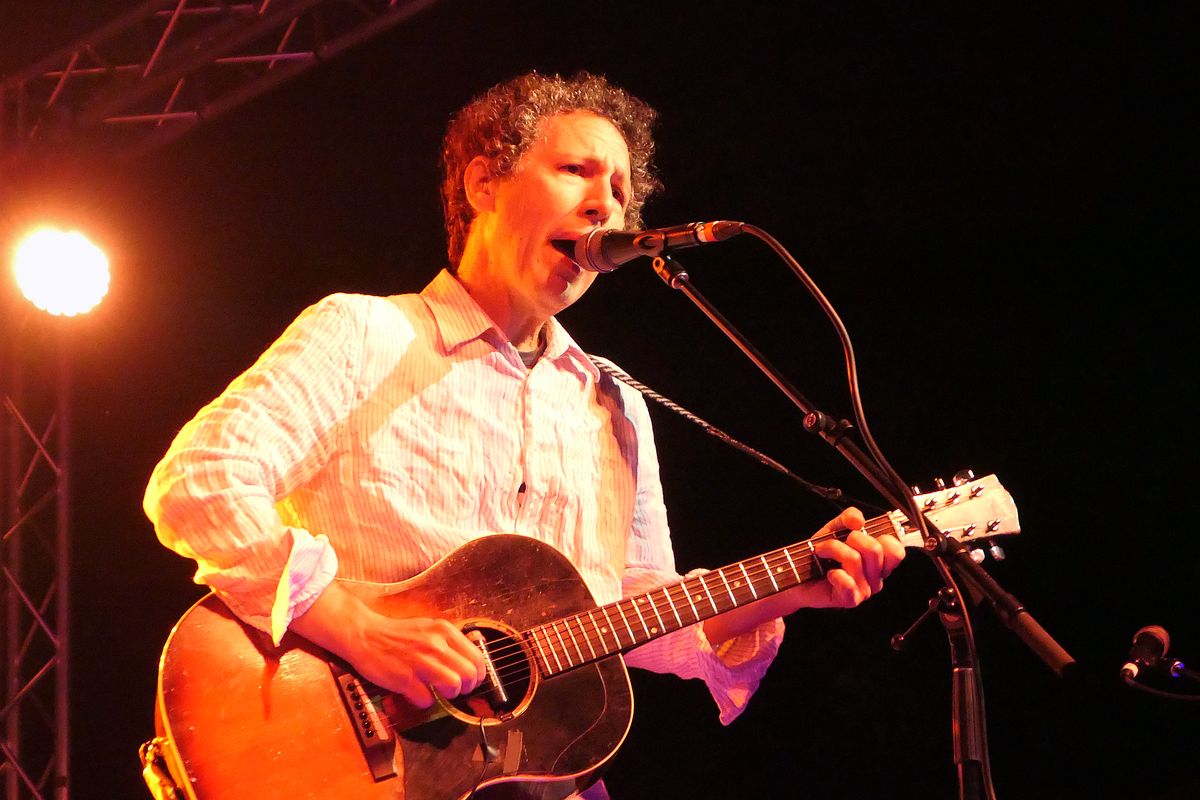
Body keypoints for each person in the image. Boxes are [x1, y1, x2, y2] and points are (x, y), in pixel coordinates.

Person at [143, 70, 905, 797]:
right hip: (345, 757)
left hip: (529, 778)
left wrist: (787, 590)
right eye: (577, 170)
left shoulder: (611, 402)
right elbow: (201, 482)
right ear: (483, 184)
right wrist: (358, 629)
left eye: (620, 191)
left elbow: (632, 609)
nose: (605, 205)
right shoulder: (367, 331)